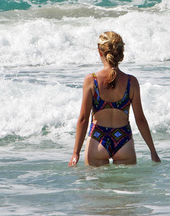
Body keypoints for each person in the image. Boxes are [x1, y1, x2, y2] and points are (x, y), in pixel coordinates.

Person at [69, 31, 160, 167]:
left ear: (100, 52)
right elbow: (140, 119)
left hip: (97, 139)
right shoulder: (131, 81)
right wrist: (153, 151)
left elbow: (83, 118)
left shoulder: (91, 80)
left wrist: (75, 153)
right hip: (124, 141)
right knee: (126, 188)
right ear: (121, 52)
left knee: (96, 187)